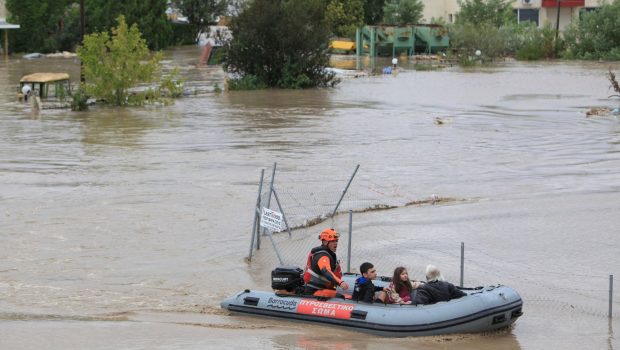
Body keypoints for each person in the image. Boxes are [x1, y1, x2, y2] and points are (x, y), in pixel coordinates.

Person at [303, 228, 349, 298]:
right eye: (333, 241)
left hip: (321, 288)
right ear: (325, 242)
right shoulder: (322, 256)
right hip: (315, 290)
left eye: (336, 241)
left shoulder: (326, 253)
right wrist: (340, 282)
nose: (336, 243)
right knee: (342, 298)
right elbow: (326, 271)